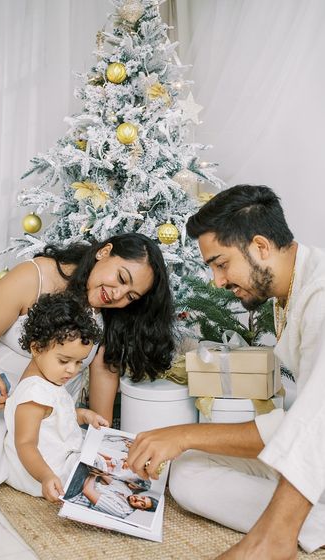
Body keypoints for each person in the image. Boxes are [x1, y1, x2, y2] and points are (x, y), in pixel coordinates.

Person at [127, 185, 325, 557]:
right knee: (188, 473)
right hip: (314, 449)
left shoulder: (321, 296)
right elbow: (296, 427)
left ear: (261, 247)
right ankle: (312, 522)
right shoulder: (292, 291)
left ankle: (275, 538)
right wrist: (183, 439)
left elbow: (316, 423)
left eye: (221, 264)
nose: (217, 281)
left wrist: (184, 433)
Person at [0, 232, 175, 505]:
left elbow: (100, 411)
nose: (117, 295)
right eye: (121, 278)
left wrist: (100, 442)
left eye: (130, 295)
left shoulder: (112, 318)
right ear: (104, 252)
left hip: (34, 410)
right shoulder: (35, 277)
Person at [4, 292, 109, 501]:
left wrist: (84, 415)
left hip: (59, 458)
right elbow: (25, 444)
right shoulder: (34, 394)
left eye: (79, 362)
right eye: (64, 361)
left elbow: (56, 417)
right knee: (101, 472)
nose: (72, 370)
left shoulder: (50, 380)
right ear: (36, 348)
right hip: (42, 470)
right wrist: (45, 476)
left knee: (105, 459)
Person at [75, 470, 157, 519]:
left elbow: (87, 491)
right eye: (142, 498)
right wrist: (98, 470)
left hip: (76, 493)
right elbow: (103, 474)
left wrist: (94, 474)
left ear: (141, 509)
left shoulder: (122, 511)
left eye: (142, 504)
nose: (138, 499)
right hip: (85, 480)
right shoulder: (127, 492)